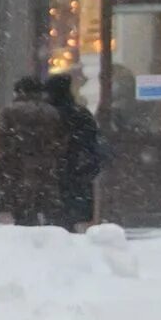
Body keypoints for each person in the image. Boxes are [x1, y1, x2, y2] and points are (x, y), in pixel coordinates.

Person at [0, 75, 64, 226]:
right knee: (43, 213)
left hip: (15, 172)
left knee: (19, 215)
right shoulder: (52, 114)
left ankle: (23, 241)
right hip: (44, 173)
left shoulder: (9, 113)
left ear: (18, 92)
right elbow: (59, 144)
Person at [48, 70, 104, 231]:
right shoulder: (81, 113)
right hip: (79, 172)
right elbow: (93, 141)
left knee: (55, 221)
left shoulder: (48, 114)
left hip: (55, 172)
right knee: (75, 219)